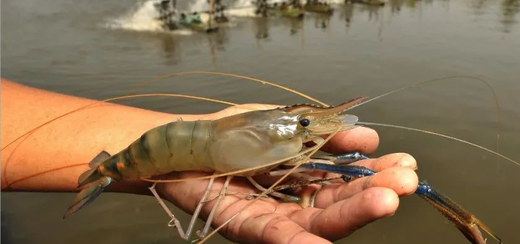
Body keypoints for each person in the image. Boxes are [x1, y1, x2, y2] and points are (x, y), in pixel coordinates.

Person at [1, 78, 419, 244]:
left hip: (168, 149)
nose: (308, 128)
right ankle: (105, 174)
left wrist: (301, 128)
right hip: (151, 154)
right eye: (303, 122)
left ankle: (106, 171)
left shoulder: (281, 132)